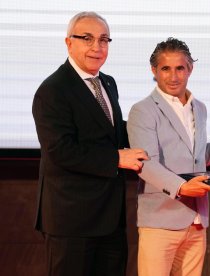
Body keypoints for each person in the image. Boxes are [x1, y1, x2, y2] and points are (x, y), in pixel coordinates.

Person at [32, 11, 148, 276]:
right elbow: (59, 151)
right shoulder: (53, 90)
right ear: (68, 42)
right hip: (71, 223)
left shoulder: (108, 83)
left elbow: (116, 135)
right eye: (87, 38)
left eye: (104, 39)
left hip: (110, 220)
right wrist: (117, 159)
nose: (97, 47)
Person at [127, 37, 210, 276]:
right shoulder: (142, 110)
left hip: (196, 220)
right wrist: (182, 187)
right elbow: (145, 163)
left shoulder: (199, 108)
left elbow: (199, 158)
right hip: (160, 221)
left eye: (180, 68)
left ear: (190, 69)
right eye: (166, 68)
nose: (173, 76)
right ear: (154, 70)